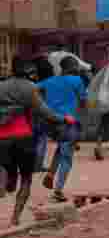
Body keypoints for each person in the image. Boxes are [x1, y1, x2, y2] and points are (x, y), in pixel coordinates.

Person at [1, 57, 74, 226]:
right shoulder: (30, 87)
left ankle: (10, 179)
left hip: (2, 138)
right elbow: (45, 112)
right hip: (23, 137)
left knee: (9, 170)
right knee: (26, 179)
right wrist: (64, 119)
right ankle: (15, 218)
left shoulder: (1, 87)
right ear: (28, 71)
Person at [38, 57, 86, 203]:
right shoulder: (77, 80)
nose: (78, 68)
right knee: (67, 158)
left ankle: (51, 174)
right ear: (72, 66)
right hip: (67, 123)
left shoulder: (49, 81)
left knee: (62, 147)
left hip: (50, 124)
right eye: (76, 65)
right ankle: (58, 191)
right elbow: (83, 101)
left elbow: (33, 90)